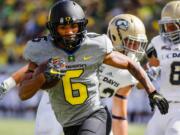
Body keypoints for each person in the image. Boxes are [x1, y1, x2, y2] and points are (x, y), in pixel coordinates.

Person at [1, 1, 168, 135]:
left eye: (73, 27)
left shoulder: (97, 48)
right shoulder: (44, 49)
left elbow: (120, 112)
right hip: (56, 105)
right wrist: (31, 79)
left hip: (92, 111)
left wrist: (152, 91)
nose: (69, 32)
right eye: (130, 42)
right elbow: (26, 84)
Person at [98, 14, 149, 135]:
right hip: (60, 106)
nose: (136, 48)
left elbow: (119, 115)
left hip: (91, 112)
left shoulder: (130, 71)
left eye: (138, 43)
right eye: (131, 42)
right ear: (116, 38)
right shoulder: (95, 49)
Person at [145, 1, 180, 135]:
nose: (167, 31)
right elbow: (142, 82)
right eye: (165, 26)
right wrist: (149, 74)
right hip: (163, 106)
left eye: (171, 26)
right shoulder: (157, 42)